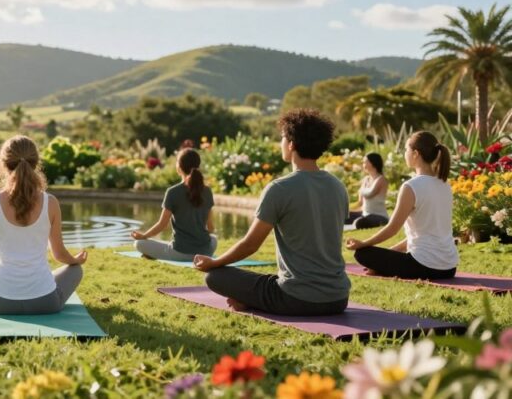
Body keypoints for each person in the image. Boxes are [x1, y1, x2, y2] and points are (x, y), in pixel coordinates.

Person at [194, 109, 350, 316]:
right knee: (268, 280)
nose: (281, 143)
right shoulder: (338, 186)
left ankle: (251, 301)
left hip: (297, 299)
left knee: (215, 277)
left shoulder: (279, 188)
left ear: (292, 144)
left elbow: (250, 245)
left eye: (283, 138)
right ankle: (251, 300)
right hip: (338, 299)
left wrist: (215, 263)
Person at [0, 135, 87, 315]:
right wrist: (76, 260)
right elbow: (59, 254)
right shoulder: (50, 202)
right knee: (75, 270)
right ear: (36, 163)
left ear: (4, 164)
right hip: (46, 303)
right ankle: (38, 284)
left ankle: (6, 284)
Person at [346, 131, 458, 280]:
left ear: (415, 154)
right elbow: (422, 234)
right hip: (449, 268)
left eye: (406, 150)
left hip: (423, 266)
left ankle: (381, 268)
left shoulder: (411, 186)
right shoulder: (445, 185)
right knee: (377, 256)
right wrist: (388, 254)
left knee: (362, 253)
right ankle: (382, 267)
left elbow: (392, 228)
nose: (405, 153)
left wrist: (363, 243)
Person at [131, 148, 217, 261]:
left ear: (180, 167)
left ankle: (156, 253)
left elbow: (162, 225)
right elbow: (210, 227)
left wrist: (144, 236)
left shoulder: (173, 192)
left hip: (181, 253)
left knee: (139, 244)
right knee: (214, 239)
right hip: (205, 252)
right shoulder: (207, 191)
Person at [346, 153, 389, 229]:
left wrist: (361, 190)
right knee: (344, 216)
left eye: (365, 162)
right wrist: (347, 210)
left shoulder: (381, 180)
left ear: (373, 163)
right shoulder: (366, 180)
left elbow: (370, 194)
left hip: (380, 216)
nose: (363, 165)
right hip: (364, 214)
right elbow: (360, 203)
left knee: (358, 222)